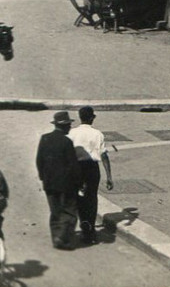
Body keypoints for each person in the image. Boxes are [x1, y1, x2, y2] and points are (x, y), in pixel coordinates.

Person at [36, 111, 81, 249]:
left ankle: (56, 237)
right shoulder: (66, 142)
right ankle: (63, 238)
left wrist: (43, 177)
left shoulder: (45, 138)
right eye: (69, 125)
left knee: (55, 211)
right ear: (64, 125)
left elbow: (39, 160)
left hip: (49, 183)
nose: (70, 127)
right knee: (69, 211)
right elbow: (73, 165)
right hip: (66, 184)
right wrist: (79, 182)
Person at [69, 106, 114, 244]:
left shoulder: (72, 133)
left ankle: (84, 225)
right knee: (92, 198)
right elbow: (104, 155)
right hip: (92, 169)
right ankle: (90, 229)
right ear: (91, 118)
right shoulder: (97, 134)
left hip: (76, 168)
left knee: (79, 198)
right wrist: (109, 176)